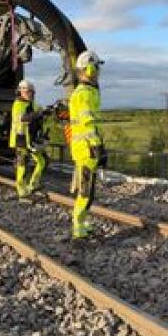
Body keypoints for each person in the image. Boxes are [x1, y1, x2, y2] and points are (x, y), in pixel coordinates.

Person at [69, 50, 106, 239]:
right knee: (85, 191)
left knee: (88, 190)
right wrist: (97, 146)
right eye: (97, 67)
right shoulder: (84, 94)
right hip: (86, 149)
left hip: (87, 147)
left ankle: (82, 222)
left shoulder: (88, 91)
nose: (98, 71)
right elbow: (88, 123)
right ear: (89, 69)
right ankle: (78, 227)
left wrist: (99, 145)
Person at [9, 80, 48, 199]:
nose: (30, 94)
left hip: (31, 139)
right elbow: (23, 118)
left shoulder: (33, 104)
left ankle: (33, 184)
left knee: (42, 161)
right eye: (28, 92)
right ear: (20, 91)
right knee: (22, 165)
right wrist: (39, 114)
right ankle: (21, 190)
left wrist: (46, 112)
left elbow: (39, 115)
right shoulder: (18, 104)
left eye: (31, 92)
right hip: (21, 140)